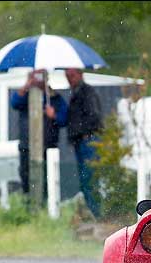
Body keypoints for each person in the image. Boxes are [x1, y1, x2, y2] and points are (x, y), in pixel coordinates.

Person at [10, 69, 68, 200]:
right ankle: (29, 204)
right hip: (27, 145)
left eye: (40, 76)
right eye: (35, 76)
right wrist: (27, 85)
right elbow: (14, 103)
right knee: (26, 176)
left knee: (48, 177)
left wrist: (53, 116)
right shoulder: (26, 95)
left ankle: (47, 204)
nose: (38, 80)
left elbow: (64, 119)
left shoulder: (54, 98)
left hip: (48, 144)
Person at [65, 68, 103, 218]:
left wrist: (78, 130)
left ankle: (98, 214)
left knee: (90, 178)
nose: (69, 79)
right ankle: (94, 213)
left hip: (88, 140)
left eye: (72, 75)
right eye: (67, 76)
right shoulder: (76, 93)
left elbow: (94, 116)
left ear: (80, 75)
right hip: (81, 141)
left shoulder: (87, 93)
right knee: (85, 179)